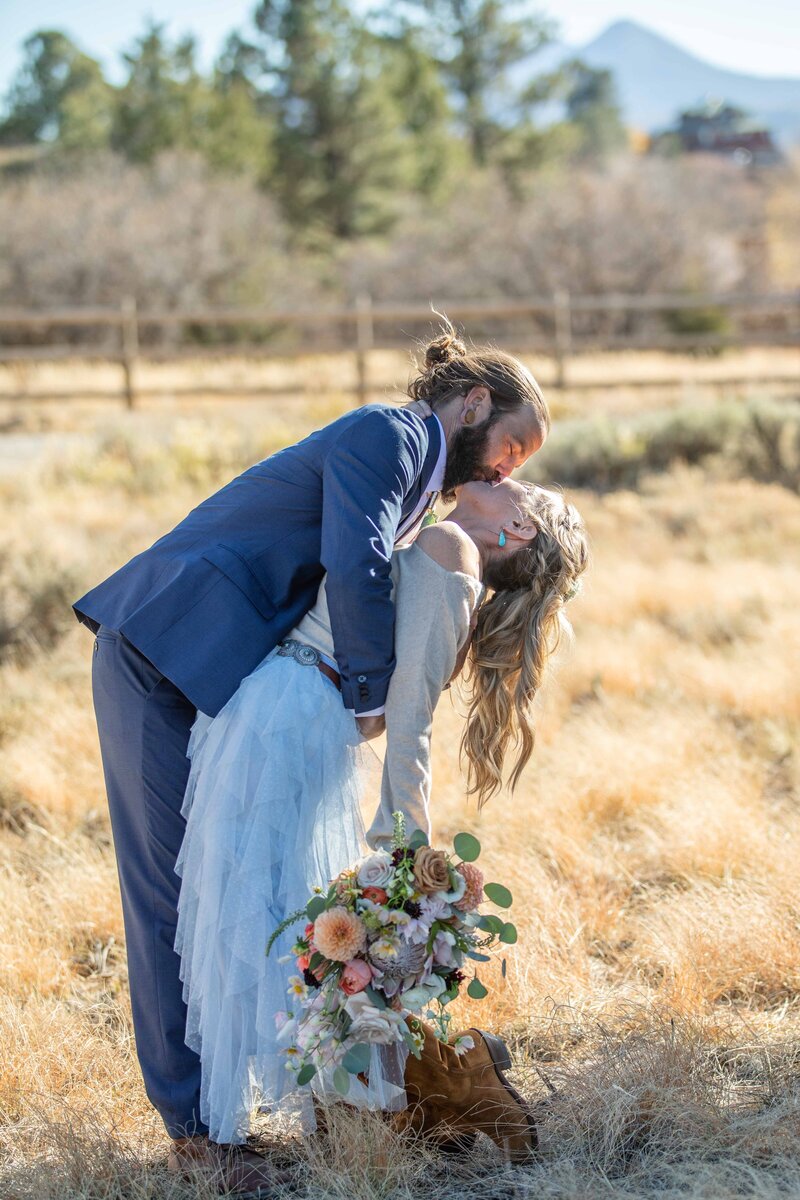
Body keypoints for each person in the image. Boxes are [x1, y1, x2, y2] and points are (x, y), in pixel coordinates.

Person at [74, 325, 549, 1192]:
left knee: (241, 887)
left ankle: (343, 1090)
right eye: (512, 445)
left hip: (222, 672)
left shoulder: (429, 496)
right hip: (162, 647)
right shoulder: (393, 433)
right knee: (169, 890)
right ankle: (195, 1134)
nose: (505, 469)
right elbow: (352, 558)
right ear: (473, 403)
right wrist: (367, 696)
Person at [174, 476, 589, 1159]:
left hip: (286, 712)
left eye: (523, 489)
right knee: (269, 911)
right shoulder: (445, 543)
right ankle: (384, 1095)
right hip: (294, 709)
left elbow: (410, 717)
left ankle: (450, 1075)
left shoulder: (450, 546)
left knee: (254, 910)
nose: (505, 476)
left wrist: (403, 847)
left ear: (519, 531)